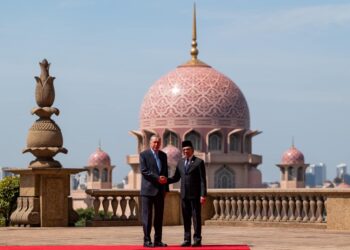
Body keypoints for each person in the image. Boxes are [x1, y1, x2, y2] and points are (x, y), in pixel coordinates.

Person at [168, 140, 207, 247]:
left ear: (192, 150)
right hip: (184, 195)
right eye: (184, 150)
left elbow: (203, 180)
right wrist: (165, 180)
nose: (186, 151)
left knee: (196, 218)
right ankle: (187, 239)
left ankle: (197, 239)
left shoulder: (199, 162)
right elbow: (176, 177)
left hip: (195, 196)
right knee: (186, 218)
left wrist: (203, 195)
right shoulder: (180, 162)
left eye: (188, 149)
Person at [140, 134, 169, 248]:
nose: (156, 144)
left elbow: (165, 172)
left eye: (158, 142)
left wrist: (166, 188)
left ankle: (158, 240)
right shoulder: (144, 155)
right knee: (147, 217)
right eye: (154, 142)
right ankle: (147, 240)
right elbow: (144, 171)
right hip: (147, 191)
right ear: (150, 143)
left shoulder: (163, 155)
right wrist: (157, 178)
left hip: (160, 191)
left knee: (159, 217)